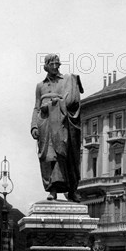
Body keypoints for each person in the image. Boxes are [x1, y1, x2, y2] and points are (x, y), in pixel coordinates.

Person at [31, 53, 83, 202]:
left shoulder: (66, 81)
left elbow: (72, 101)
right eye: (52, 64)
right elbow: (36, 107)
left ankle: (72, 190)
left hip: (62, 122)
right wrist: (34, 125)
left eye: (57, 64)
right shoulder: (40, 86)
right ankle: (52, 190)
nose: (55, 67)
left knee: (65, 156)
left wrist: (54, 105)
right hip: (45, 123)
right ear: (46, 66)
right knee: (48, 157)